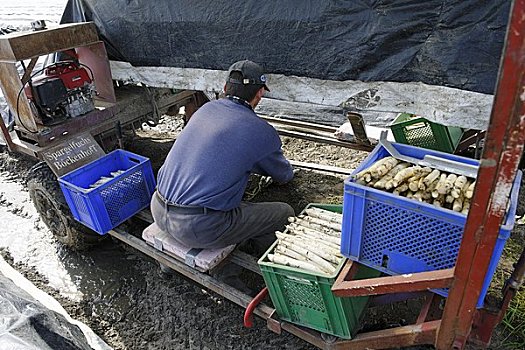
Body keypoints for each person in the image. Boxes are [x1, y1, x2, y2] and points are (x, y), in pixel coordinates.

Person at [151, 60, 295, 287]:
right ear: (259, 94)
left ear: (225, 88)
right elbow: (284, 175)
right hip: (199, 228)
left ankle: (170, 263)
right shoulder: (260, 130)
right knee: (282, 212)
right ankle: (263, 271)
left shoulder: (204, 110)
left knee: (222, 201)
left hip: (158, 209)